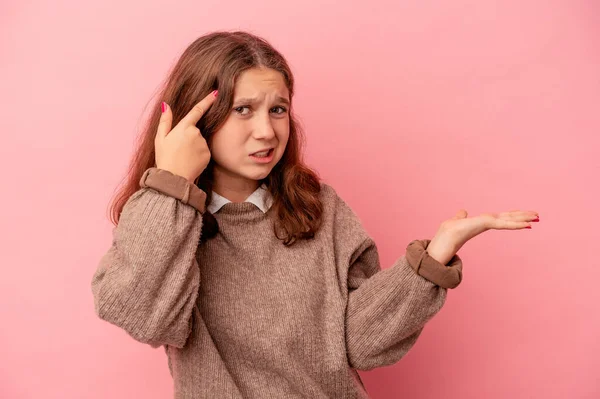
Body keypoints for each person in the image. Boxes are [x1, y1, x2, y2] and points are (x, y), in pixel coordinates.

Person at [90, 30, 539, 398]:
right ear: (196, 117)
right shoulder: (165, 221)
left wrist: (432, 260)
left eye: (278, 109)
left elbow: (361, 344)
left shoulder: (318, 207)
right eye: (243, 109)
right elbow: (139, 315)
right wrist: (172, 183)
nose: (267, 131)